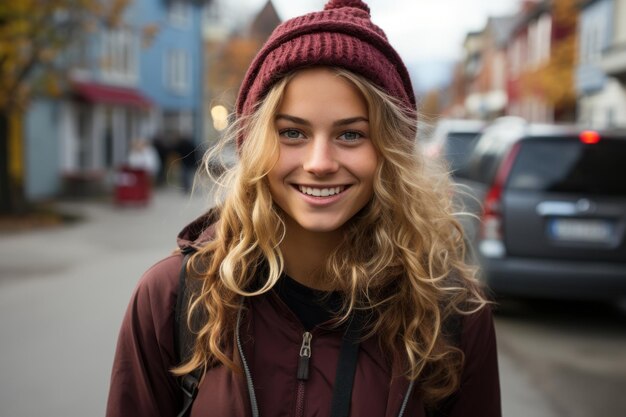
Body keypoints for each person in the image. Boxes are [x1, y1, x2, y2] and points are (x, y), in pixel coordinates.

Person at [106, 1, 501, 416]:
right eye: (292, 132)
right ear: (256, 144)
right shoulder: (175, 298)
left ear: (391, 151)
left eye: (351, 135)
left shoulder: (451, 314)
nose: (319, 163)